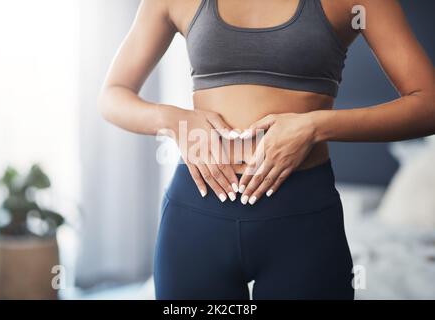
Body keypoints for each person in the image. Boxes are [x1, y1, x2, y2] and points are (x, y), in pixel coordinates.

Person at [98, 0, 435, 299]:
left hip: (301, 219)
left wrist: (313, 126)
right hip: (196, 214)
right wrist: (174, 120)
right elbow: (113, 94)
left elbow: (428, 105)